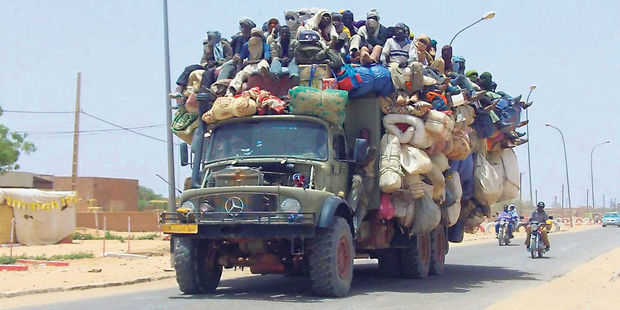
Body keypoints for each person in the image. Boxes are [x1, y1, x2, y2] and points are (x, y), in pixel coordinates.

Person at [226, 27, 271, 96]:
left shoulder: (265, 45)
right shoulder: (247, 45)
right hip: (250, 66)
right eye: (253, 35)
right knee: (240, 75)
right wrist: (239, 70)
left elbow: (267, 58)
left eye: (256, 35)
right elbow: (241, 58)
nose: (254, 37)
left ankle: (264, 73)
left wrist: (252, 61)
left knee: (263, 64)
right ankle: (231, 91)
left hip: (260, 63)